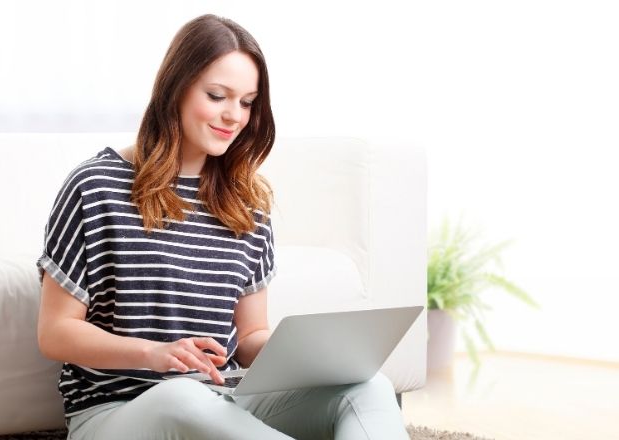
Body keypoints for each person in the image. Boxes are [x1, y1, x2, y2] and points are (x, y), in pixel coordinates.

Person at [36, 13, 409, 440]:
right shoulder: (95, 186)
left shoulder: (247, 201)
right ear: (175, 88)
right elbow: (55, 332)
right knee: (181, 398)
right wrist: (155, 354)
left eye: (247, 102)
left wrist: (314, 356)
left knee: (368, 388)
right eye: (217, 96)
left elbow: (249, 335)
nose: (233, 115)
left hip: (221, 401)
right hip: (115, 413)